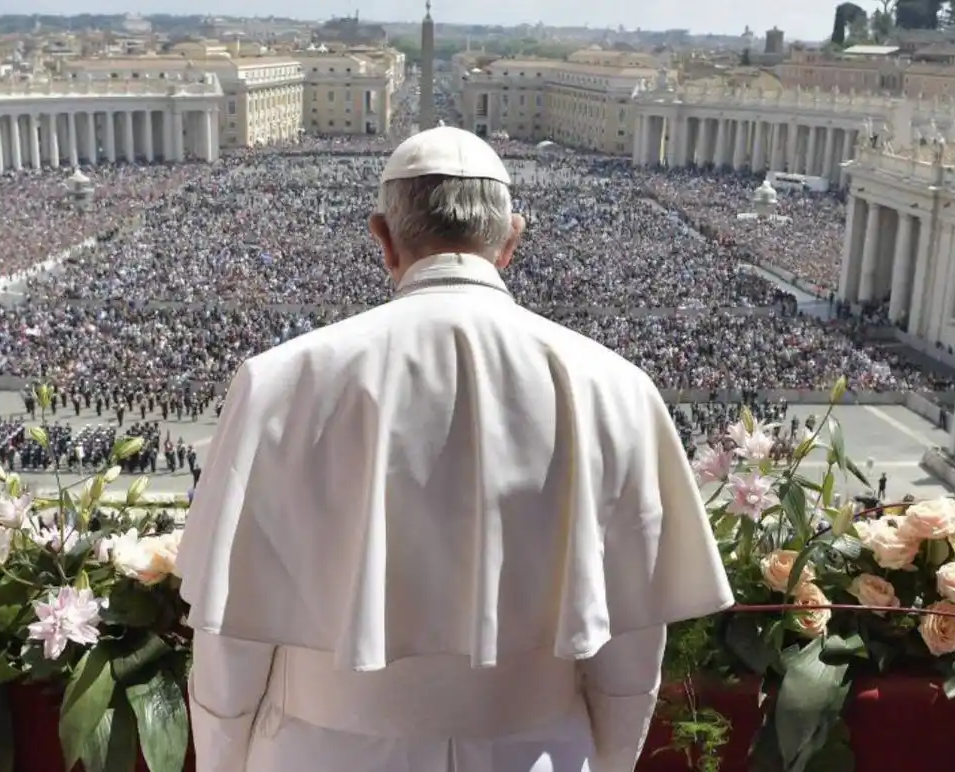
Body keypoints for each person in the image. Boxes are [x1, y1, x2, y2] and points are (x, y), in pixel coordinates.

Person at [179, 126, 734, 772]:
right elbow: (630, 657)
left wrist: (221, 763)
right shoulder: (617, 388)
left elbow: (230, 644)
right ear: (510, 242)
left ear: (382, 239)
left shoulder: (278, 383)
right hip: (539, 753)